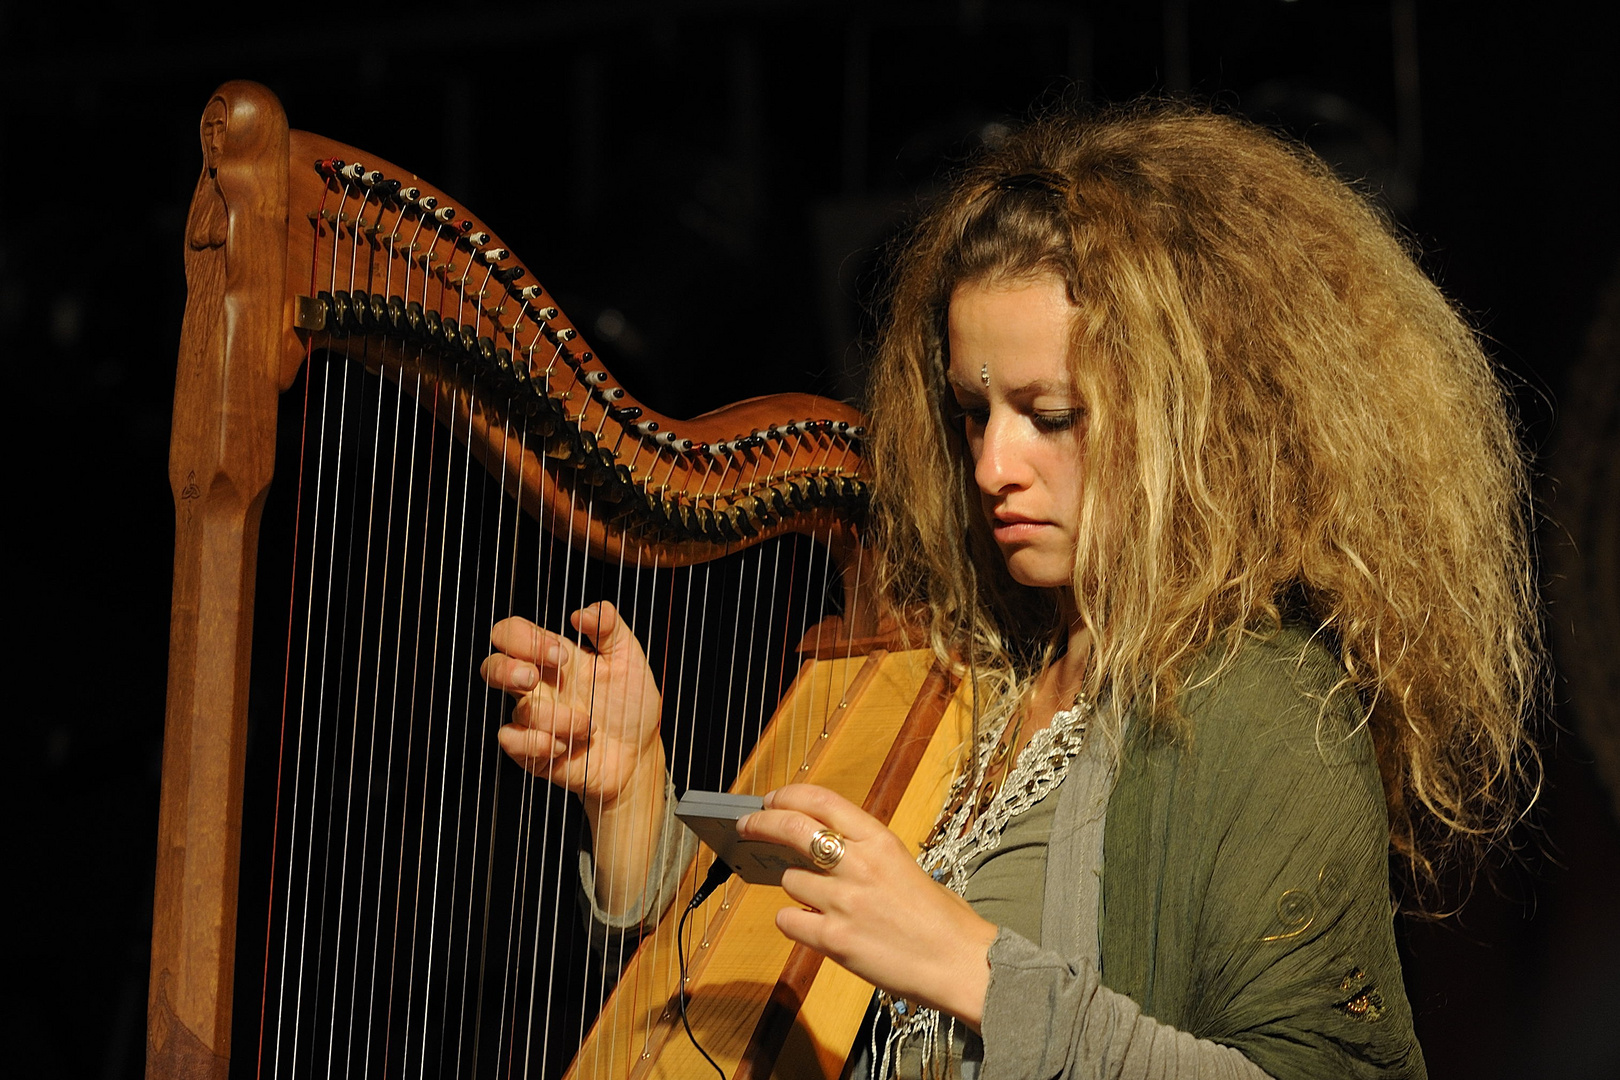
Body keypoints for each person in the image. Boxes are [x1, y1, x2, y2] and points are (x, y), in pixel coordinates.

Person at [480, 103, 1541, 1079]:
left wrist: (972, 967)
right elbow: (784, 1001)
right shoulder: (964, 674)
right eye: (973, 414)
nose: (993, 464)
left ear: (1193, 417)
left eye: (1051, 414)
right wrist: (632, 796)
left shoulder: (1267, 703)